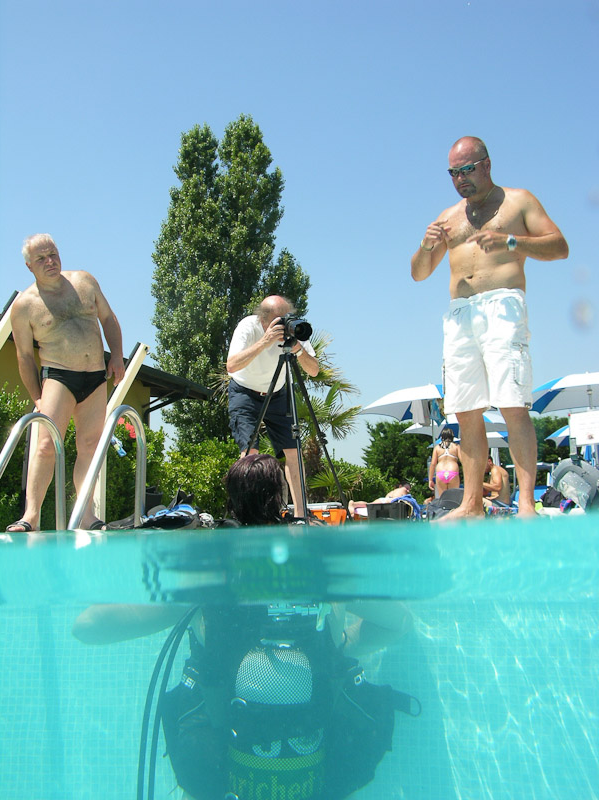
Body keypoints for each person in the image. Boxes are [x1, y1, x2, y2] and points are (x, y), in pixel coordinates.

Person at [73, 454, 416, 800]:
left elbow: (87, 626)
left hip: (223, 763)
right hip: (314, 760)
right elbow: (398, 622)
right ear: (282, 500)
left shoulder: (207, 577)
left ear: (231, 504)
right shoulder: (318, 570)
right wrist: (341, 644)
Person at [411, 136, 568, 518]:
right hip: (460, 313)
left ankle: (527, 503)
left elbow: (560, 246)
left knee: (512, 404)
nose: (460, 178)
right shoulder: (447, 218)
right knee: (465, 410)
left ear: (486, 164)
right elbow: (418, 274)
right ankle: (470, 504)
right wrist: (426, 245)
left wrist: (511, 241)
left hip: (503, 305)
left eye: (466, 169)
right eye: (453, 172)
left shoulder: (519, 201)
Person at [7, 234, 125, 532]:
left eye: (53, 254)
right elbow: (23, 357)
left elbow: (109, 319)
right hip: (58, 377)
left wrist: (118, 357)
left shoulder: (85, 282)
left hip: (95, 376)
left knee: (89, 445)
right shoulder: (24, 305)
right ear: (29, 266)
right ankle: (30, 516)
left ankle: (86, 514)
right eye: (41, 259)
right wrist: (36, 396)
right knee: (45, 444)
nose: (50, 261)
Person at [226, 295, 319, 518]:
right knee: (250, 453)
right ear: (263, 319)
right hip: (244, 391)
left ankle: (299, 514)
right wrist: (264, 342)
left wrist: (298, 349)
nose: (284, 324)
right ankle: (251, 514)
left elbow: (314, 370)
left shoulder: (294, 329)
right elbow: (231, 365)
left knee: (294, 453)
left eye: (287, 317)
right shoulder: (248, 327)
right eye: (279, 320)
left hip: (278, 392)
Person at [348, 480, 412, 518]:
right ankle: (353, 504)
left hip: (383, 501)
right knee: (369, 505)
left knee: (369, 505)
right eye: (407, 488)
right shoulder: (401, 490)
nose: (408, 491)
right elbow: (395, 498)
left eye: (409, 489)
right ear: (401, 486)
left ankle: (354, 504)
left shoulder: (393, 491)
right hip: (385, 502)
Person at [428, 428, 461, 497]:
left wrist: (430, 480)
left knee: (443, 498)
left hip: (440, 473)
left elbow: (433, 464)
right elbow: (463, 462)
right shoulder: (456, 447)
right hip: (453, 472)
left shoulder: (437, 448)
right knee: (453, 499)